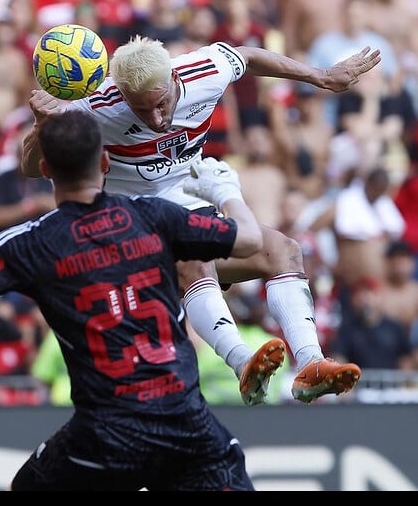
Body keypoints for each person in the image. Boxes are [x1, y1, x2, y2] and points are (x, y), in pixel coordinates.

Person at [0, 109, 265, 491]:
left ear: (44, 169)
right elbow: (249, 240)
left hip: (106, 437)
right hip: (186, 421)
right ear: (103, 162)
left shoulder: (32, 243)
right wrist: (226, 190)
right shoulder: (152, 215)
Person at [24, 34, 376, 405]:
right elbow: (31, 169)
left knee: (283, 252)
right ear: (122, 96)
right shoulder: (93, 108)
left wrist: (320, 76)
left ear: (175, 80)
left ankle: (310, 364)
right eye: (141, 111)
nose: (157, 119)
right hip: (129, 234)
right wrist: (42, 126)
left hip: (189, 213)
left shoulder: (202, 72)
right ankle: (242, 364)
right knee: (194, 256)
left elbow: (248, 56)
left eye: (161, 104)